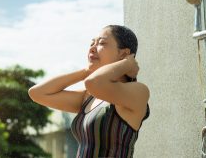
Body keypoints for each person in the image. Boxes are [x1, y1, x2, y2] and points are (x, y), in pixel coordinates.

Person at [28, 25, 150, 158]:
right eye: (92, 43)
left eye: (101, 43)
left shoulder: (139, 92)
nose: (92, 48)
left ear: (124, 53)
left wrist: (127, 63)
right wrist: (87, 71)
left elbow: (93, 82)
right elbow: (37, 93)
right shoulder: (89, 97)